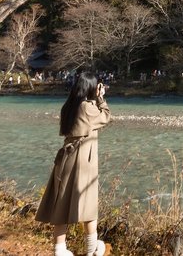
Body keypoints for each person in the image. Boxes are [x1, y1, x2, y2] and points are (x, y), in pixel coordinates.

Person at [36, 71, 110, 256]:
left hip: (65, 159)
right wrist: (101, 98)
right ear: (91, 88)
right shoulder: (87, 108)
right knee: (88, 205)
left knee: (61, 205)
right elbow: (106, 117)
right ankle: (92, 250)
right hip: (83, 160)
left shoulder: (68, 106)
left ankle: (59, 250)